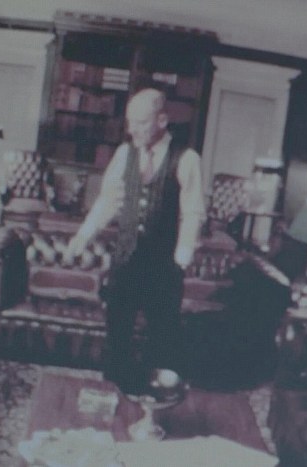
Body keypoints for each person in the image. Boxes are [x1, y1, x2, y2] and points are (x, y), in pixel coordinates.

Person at [66, 88, 205, 392]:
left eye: (141, 123)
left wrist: (182, 257)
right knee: (118, 334)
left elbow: (193, 213)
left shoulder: (186, 159)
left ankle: (156, 400)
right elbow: (108, 202)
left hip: (163, 267)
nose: (132, 130)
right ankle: (117, 394)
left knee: (162, 338)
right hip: (125, 261)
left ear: (162, 120)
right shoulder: (124, 154)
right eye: (130, 122)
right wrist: (83, 235)